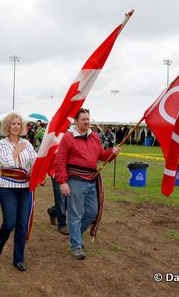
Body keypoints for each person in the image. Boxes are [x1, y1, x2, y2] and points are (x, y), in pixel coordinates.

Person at [55, 108, 120, 260]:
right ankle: (76, 246)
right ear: (76, 121)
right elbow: (61, 161)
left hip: (91, 180)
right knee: (75, 214)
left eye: (88, 119)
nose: (87, 122)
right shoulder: (68, 138)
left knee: (92, 212)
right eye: (83, 119)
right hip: (75, 180)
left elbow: (102, 155)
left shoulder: (94, 137)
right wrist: (63, 182)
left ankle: (76, 234)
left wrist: (112, 152)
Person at [0, 113, 37, 272]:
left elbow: (34, 160)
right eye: (13, 123)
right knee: (10, 222)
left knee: (22, 224)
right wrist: (16, 151)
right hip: (8, 187)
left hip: (25, 188)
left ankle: (18, 259)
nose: (17, 126)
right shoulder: (2, 144)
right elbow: (3, 163)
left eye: (19, 124)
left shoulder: (27, 143)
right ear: (7, 126)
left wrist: (35, 171)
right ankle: (0, 242)